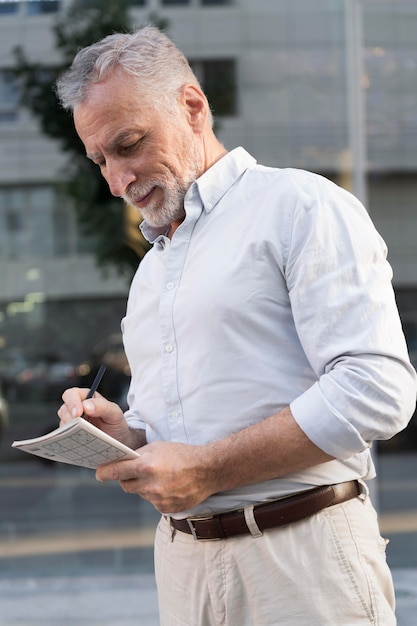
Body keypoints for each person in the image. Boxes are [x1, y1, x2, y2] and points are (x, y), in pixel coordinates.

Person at [56, 26, 416, 626]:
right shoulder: (152, 272)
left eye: (130, 144)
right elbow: (173, 425)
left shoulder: (299, 205)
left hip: (300, 563)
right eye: (101, 162)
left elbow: (377, 389)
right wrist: (126, 432)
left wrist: (209, 470)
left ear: (192, 107)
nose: (119, 182)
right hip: (181, 565)